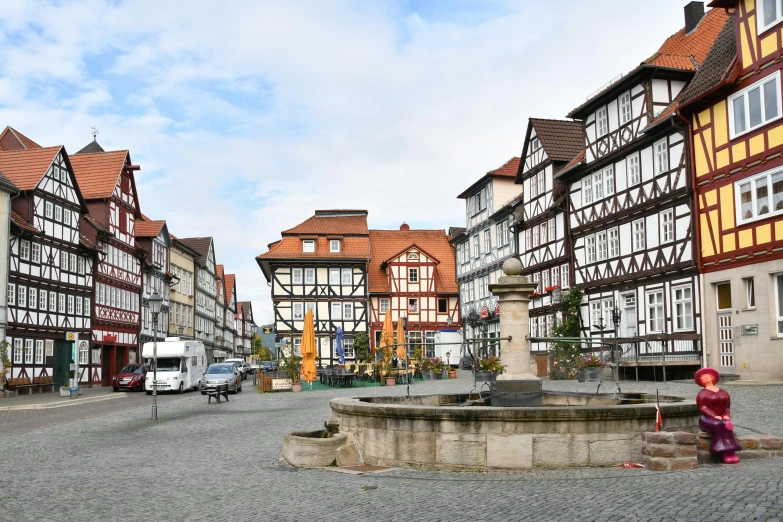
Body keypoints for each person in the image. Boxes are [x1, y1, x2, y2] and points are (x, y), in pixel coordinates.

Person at [695, 367, 741, 464]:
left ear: (712, 377)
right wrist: (714, 415)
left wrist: (726, 415)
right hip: (707, 419)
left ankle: (731, 451)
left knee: (726, 424)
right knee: (718, 424)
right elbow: (702, 407)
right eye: (702, 377)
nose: (705, 378)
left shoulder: (723, 392)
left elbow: (727, 407)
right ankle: (723, 451)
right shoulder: (702, 394)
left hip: (722, 418)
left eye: (707, 376)